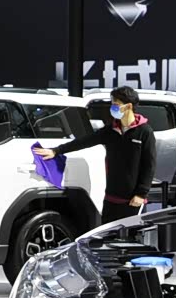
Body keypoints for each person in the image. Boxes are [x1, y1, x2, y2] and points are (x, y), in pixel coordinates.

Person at [37, 85, 157, 224]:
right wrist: (56, 151)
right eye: (112, 103)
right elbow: (84, 141)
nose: (112, 107)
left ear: (128, 106)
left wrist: (141, 194)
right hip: (111, 197)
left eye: (116, 104)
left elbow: (149, 165)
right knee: (108, 233)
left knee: (132, 234)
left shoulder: (144, 132)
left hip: (133, 200)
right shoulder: (110, 130)